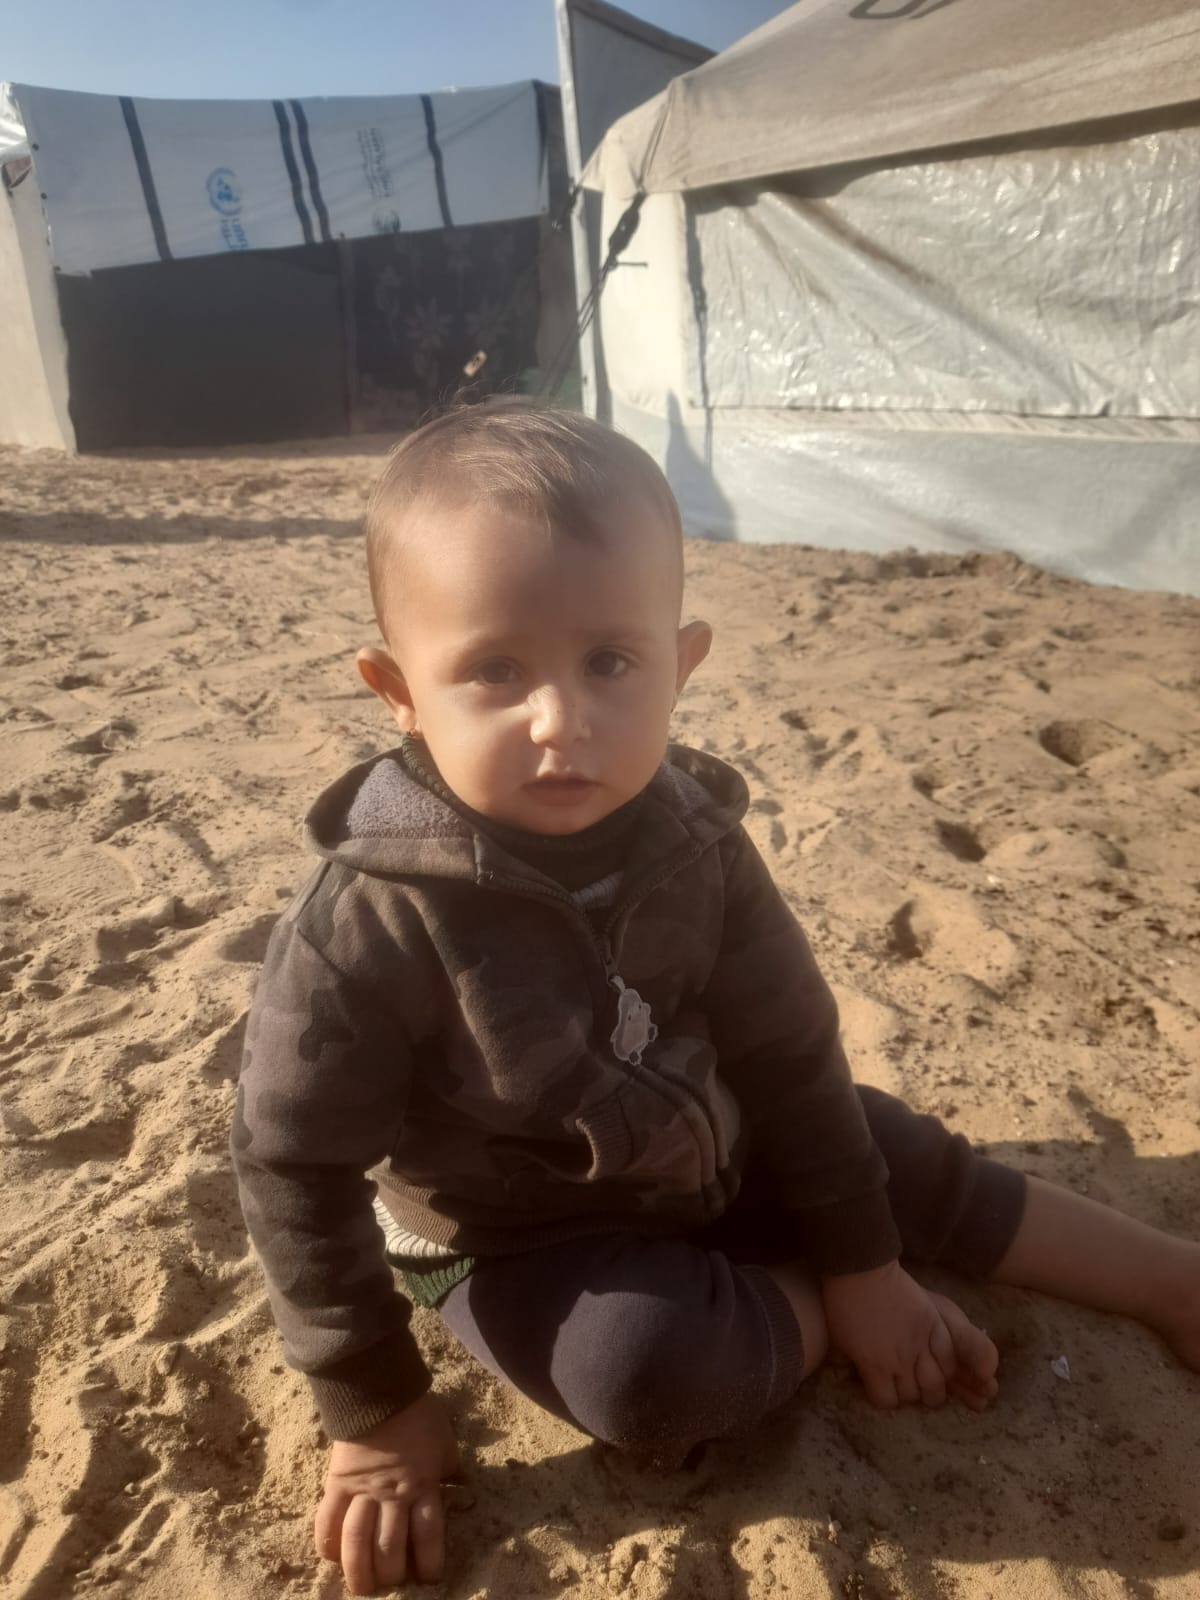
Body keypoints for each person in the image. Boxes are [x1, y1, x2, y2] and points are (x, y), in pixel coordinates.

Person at [232, 401, 1200, 1596]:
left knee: (892, 1152)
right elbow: (290, 1162)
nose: (561, 721)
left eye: (610, 662)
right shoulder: (372, 915)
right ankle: (808, 1302)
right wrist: (373, 1405)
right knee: (645, 1376)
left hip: (715, 1143)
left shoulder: (696, 839)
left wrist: (868, 1256)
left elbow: (791, 1052)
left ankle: (1173, 1278)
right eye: (494, 669)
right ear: (398, 689)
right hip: (514, 1234)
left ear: (680, 663)